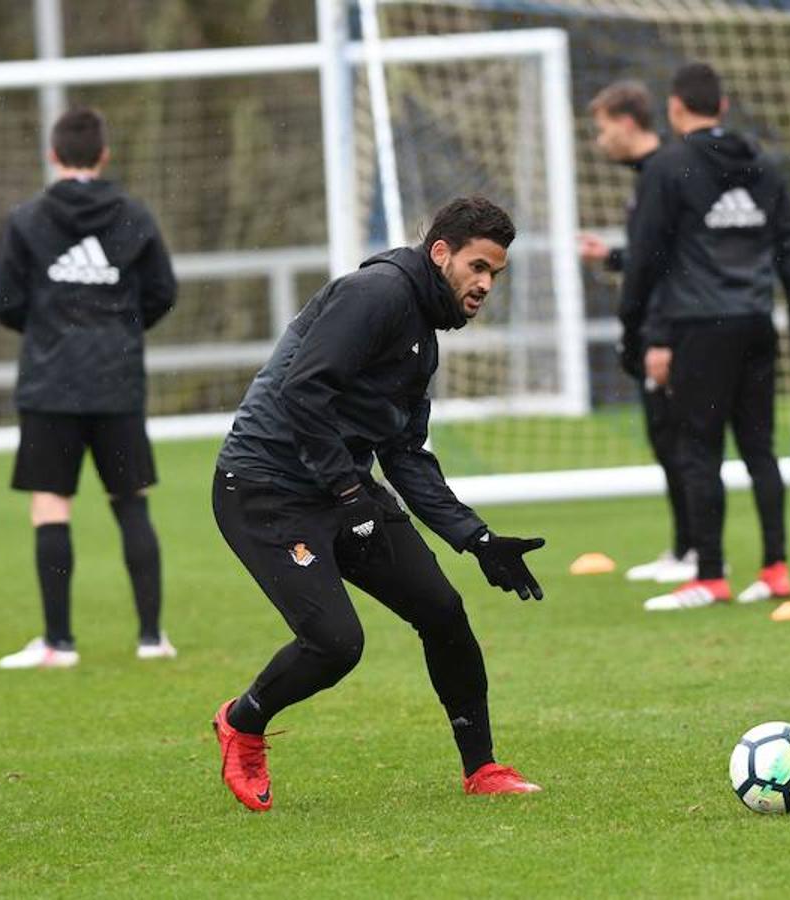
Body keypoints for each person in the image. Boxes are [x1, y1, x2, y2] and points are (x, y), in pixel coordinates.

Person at [211, 197, 546, 811]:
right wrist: (347, 493)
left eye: (494, 274)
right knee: (336, 644)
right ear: (440, 252)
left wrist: (477, 539)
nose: (484, 285)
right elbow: (301, 393)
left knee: (442, 609)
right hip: (265, 488)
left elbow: (405, 453)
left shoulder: (423, 332)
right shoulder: (378, 295)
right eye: (477, 267)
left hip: (336, 486)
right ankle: (243, 721)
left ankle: (483, 768)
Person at [0, 107, 177, 669]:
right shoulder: (134, 216)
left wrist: (49, 329)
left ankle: (58, 643)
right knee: (131, 502)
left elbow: (2, 299)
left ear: (53, 155)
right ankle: (151, 638)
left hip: (51, 386)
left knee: (52, 507)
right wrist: (116, 328)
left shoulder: (26, 218)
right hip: (116, 383)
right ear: (103, 156)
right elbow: (162, 292)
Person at [625, 63, 790, 611]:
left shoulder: (668, 165)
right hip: (756, 324)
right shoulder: (764, 165)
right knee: (760, 451)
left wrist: (632, 329)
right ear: (723, 107)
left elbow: (646, 258)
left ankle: (709, 574)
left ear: (677, 109)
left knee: (698, 450)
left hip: (700, 329)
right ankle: (775, 568)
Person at [579, 81, 695, 585]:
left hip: (669, 333)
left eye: (602, 128)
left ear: (627, 122)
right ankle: (686, 548)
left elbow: (677, 264)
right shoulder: (649, 176)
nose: (599, 140)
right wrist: (611, 258)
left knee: (681, 444)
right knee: (666, 441)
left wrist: (661, 335)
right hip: (658, 330)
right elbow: (654, 256)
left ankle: (698, 553)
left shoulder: (665, 173)